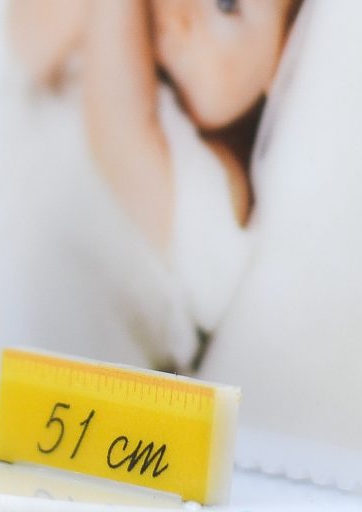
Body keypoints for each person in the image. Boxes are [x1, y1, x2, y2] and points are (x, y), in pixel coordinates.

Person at [84, 0, 302, 368]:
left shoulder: (224, 192)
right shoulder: (149, 75)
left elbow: (117, 128)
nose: (181, 10)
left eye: (226, 5)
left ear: (286, 56)